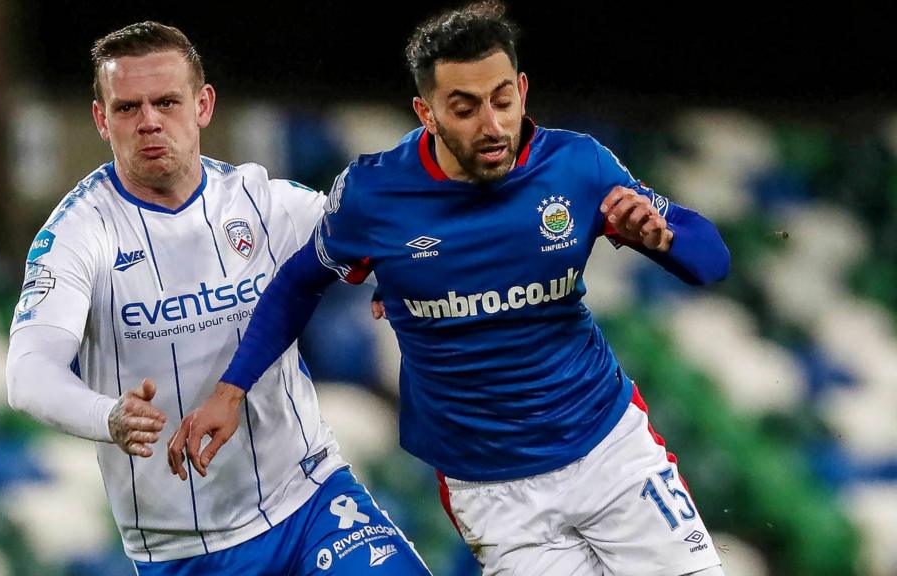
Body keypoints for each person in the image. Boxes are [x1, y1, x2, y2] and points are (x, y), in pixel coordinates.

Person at [169, 2, 732, 575]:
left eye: (503, 100)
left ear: (522, 90)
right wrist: (232, 388)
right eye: (464, 108)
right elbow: (296, 284)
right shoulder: (375, 194)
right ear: (427, 112)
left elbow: (711, 261)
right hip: (494, 494)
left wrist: (665, 241)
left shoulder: (577, 166)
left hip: (610, 451)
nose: (491, 126)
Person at [5, 21, 430, 575]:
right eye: (128, 108)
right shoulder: (78, 234)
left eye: (166, 102)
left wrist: (402, 276)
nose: (149, 121)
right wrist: (107, 416)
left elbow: (389, 238)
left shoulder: (263, 202)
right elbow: (28, 372)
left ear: (203, 105)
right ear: (101, 120)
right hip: (186, 549)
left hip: (310, 500)